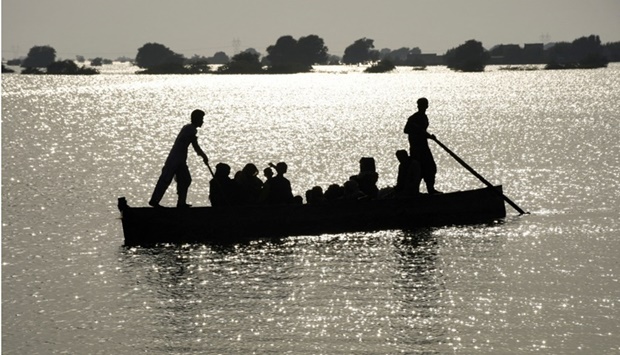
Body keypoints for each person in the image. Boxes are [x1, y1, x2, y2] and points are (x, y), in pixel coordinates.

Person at [149, 109, 209, 208]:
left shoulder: (189, 129)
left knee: (185, 180)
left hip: (180, 160)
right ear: (196, 119)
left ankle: (181, 203)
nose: (202, 121)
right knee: (165, 180)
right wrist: (204, 156)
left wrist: (203, 155)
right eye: (201, 119)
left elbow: (192, 144)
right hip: (175, 160)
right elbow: (195, 146)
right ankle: (154, 201)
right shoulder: (190, 129)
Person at [404, 97, 442, 194]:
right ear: (418, 106)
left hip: (424, 147)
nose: (423, 106)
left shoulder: (424, 117)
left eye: (424, 105)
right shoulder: (413, 118)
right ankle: (415, 191)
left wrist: (429, 136)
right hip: (416, 148)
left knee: (430, 168)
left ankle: (430, 189)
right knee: (418, 168)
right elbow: (406, 130)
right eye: (421, 105)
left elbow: (423, 132)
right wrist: (419, 131)